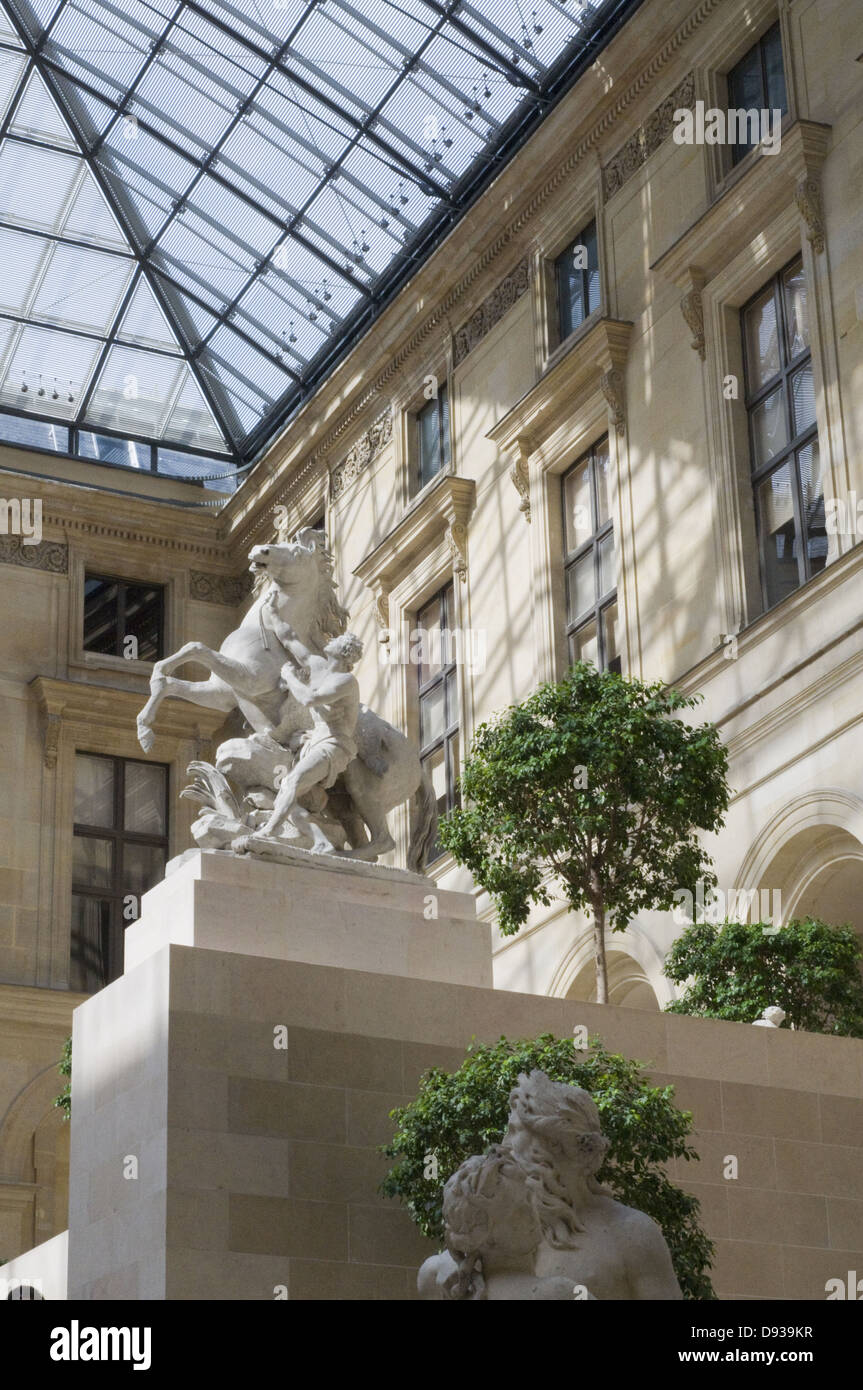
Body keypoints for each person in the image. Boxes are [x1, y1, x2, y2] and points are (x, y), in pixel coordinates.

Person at [233, 631, 363, 854]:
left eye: (335, 640)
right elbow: (292, 639)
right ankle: (320, 840)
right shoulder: (319, 666)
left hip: (334, 745)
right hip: (314, 743)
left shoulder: (345, 681)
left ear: (343, 651)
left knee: (291, 782)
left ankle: (269, 831)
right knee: (287, 789)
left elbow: (309, 699)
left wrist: (290, 676)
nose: (329, 640)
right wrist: (273, 614)